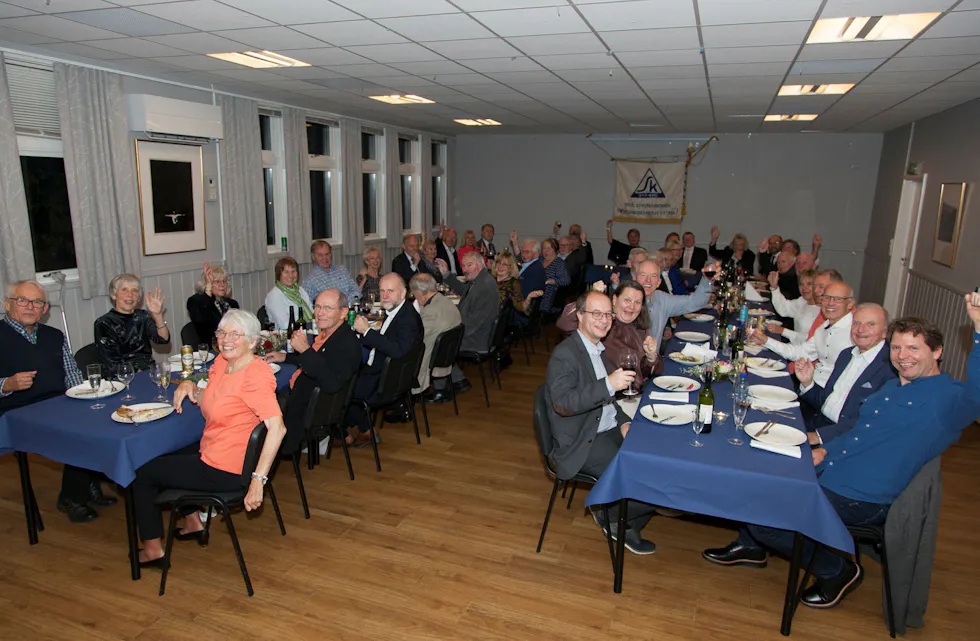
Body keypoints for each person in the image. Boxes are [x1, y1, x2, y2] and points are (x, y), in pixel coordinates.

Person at [703, 296, 980, 610]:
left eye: (913, 348)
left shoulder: (947, 398)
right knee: (759, 475)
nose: (903, 356)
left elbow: (977, 396)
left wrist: (979, 327)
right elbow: (860, 433)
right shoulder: (892, 388)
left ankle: (837, 570)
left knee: (763, 514)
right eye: (897, 348)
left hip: (863, 497)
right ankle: (753, 547)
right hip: (833, 470)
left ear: (937, 351)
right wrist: (825, 450)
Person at [134, 310, 286, 565]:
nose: (226, 340)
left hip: (225, 469)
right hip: (216, 450)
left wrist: (257, 481)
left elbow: (278, 428)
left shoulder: (254, 376)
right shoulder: (224, 363)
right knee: (171, 451)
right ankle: (193, 521)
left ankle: (152, 550)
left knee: (141, 472)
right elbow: (209, 391)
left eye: (236, 334)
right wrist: (190, 385)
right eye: (222, 333)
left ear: (252, 342)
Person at [545, 291, 657, 554]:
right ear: (580, 316)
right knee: (647, 481)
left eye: (608, 314)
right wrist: (608, 384)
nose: (604, 320)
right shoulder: (565, 354)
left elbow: (609, 404)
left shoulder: (597, 349)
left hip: (606, 428)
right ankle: (610, 514)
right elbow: (562, 403)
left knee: (656, 461)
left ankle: (622, 519)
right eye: (596, 313)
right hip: (582, 439)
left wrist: (624, 422)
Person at [1, 280, 117, 523]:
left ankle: (87, 482)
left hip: (57, 404)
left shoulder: (54, 335)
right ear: (7, 304)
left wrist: (85, 398)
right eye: (22, 300)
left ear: (45, 309)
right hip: (17, 412)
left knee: (102, 419)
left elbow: (71, 373)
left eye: (37, 302)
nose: (30, 306)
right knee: (78, 434)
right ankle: (72, 497)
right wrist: (6, 384)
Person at [265, 289, 362, 455]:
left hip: (307, 414)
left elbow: (332, 382)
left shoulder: (347, 344)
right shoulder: (331, 335)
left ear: (343, 312)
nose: (320, 313)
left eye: (328, 308)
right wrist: (286, 357)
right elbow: (321, 361)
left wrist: (305, 351)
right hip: (306, 403)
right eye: (317, 307)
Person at [798, 303, 896, 445]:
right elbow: (828, 403)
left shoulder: (890, 367)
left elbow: (872, 422)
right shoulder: (846, 355)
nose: (861, 330)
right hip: (819, 424)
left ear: (885, 332)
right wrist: (807, 382)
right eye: (856, 323)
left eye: (870, 324)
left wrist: (819, 437)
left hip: (845, 440)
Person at [346, 274, 423, 446]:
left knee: (338, 388)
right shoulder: (398, 311)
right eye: (382, 291)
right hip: (387, 374)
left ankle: (352, 431)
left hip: (386, 382)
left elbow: (397, 350)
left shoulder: (408, 320)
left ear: (403, 293)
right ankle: (355, 428)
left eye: (390, 291)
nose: (385, 296)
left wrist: (366, 331)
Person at [748, 282, 855, 388]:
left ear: (850, 303)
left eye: (838, 299)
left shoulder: (855, 332)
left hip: (832, 390)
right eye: (827, 298)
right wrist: (765, 340)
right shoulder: (822, 329)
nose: (830, 303)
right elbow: (800, 352)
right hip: (813, 386)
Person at [556, 280, 663, 386]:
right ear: (615, 300)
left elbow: (647, 374)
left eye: (637, 302)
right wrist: (590, 297)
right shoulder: (600, 325)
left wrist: (651, 357)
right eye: (627, 300)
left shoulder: (641, 328)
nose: (632, 306)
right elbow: (564, 323)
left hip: (636, 391)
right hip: (608, 393)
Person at [440, 251, 500, 393]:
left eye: (469, 265)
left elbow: (473, 324)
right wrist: (446, 275)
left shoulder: (484, 287)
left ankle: (443, 389)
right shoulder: (480, 280)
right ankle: (456, 379)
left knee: (439, 343)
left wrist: (451, 332)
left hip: (478, 338)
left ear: (479, 265)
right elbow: (465, 291)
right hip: (481, 332)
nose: (465, 269)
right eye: (463, 265)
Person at [95, 274, 170, 378]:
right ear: (114, 295)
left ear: (138, 297)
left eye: (134, 291)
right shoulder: (104, 323)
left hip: (147, 371)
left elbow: (163, 339)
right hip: (121, 377)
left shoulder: (142, 316)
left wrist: (158, 315)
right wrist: (141, 375)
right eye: (124, 290)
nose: (130, 295)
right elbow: (113, 364)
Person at [634, 259, 718, 344]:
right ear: (634, 278)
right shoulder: (626, 303)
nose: (648, 280)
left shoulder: (662, 300)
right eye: (643, 275)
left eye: (653, 276)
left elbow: (695, 302)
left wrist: (707, 279)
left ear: (658, 282)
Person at [410, 274, 462, 402]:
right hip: (447, 354)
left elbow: (416, 337)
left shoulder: (430, 312)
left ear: (419, 292)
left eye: (414, 293)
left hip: (433, 357)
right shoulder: (446, 301)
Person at [186, 263, 239, 345]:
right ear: (207, 283)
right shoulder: (196, 302)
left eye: (224, 281)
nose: (222, 285)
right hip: (211, 348)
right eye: (217, 281)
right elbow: (200, 317)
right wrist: (208, 287)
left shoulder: (232, 304)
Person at [767, 269, 819, 344]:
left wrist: (782, 331)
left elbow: (809, 339)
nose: (804, 288)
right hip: (794, 346)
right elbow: (784, 309)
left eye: (809, 284)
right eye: (801, 284)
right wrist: (774, 287)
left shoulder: (822, 310)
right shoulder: (802, 301)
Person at [265, 256, 313, 330]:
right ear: (279, 274)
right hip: (287, 334)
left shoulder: (300, 290)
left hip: (306, 330)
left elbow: (312, 312)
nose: (291, 275)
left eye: (293, 271)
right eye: (286, 272)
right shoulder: (274, 296)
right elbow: (284, 324)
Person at [494, 252, 541, 316]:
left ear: (510, 268)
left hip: (493, 316)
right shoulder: (490, 278)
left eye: (505, 264)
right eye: (499, 262)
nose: (500, 266)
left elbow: (521, 307)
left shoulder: (513, 283)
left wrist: (529, 298)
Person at [540, 237, 570, 313]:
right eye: (544, 248)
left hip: (546, 296)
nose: (546, 251)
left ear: (555, 249)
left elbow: (566, 280)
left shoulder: (559, 263)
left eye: (549, 248)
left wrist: (551, 281)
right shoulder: (540, 259)